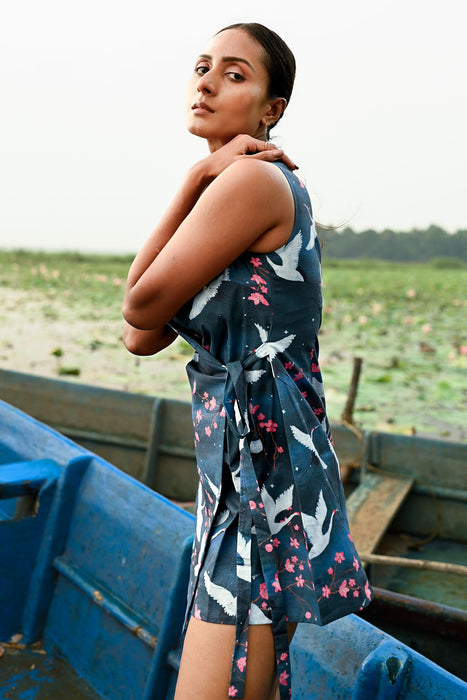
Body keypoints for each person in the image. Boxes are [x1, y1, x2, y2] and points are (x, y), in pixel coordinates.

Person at [122, 22, 372, 700]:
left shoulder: (254, 183)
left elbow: (141, 306)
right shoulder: (222, 189)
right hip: (240, 457)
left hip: (258, 462)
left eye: (233, 73)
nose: (205, 81)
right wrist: (198, 176)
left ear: (271, 110)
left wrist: (197, 177)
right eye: (202, 67)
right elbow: (139, 337)